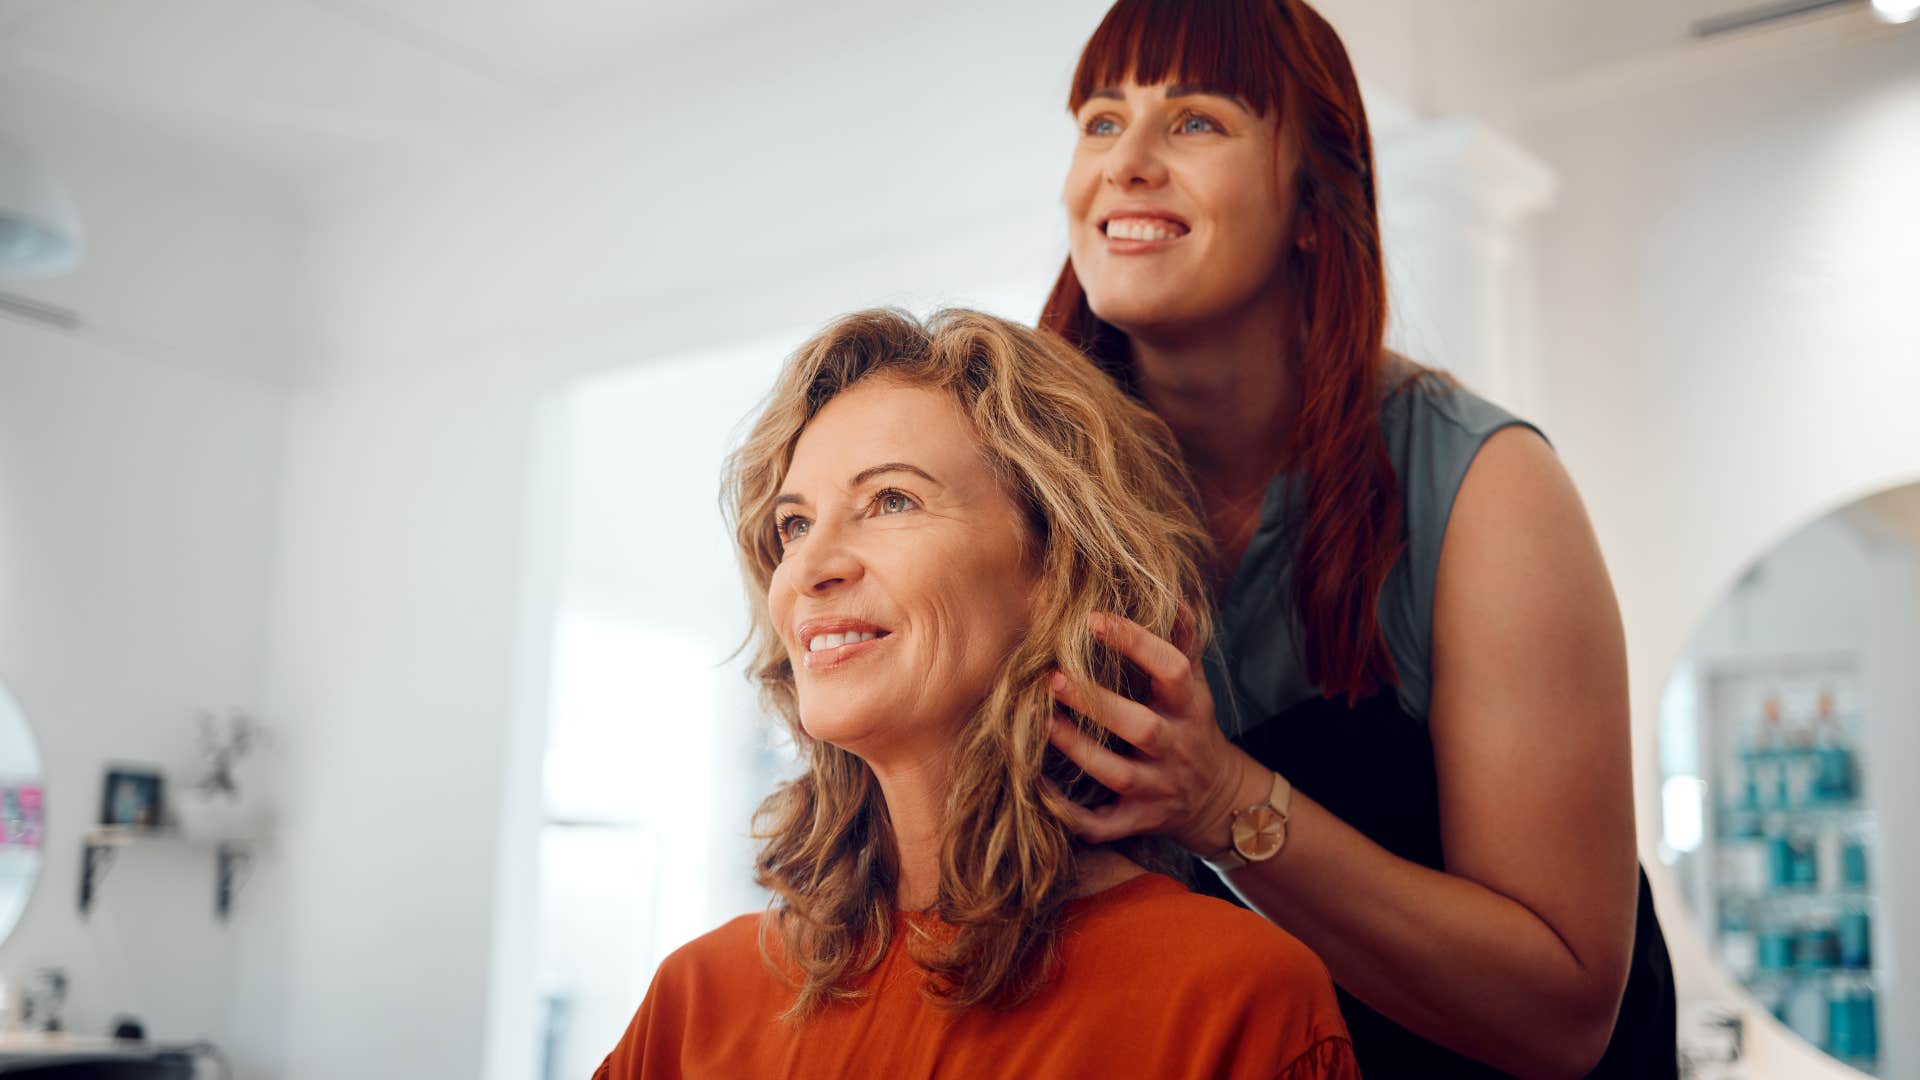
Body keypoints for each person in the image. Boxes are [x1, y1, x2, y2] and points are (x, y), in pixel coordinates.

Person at [1035, 1, 1677, 1076]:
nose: (1128, 163)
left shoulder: (1487, 489)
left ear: (1312, 205)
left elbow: (1564, 1012)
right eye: (1101, 122)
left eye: (1195, 122)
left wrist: (1221, 799)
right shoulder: (1031, 493)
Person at [593, 309, 1360, 1079]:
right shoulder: (693, 1003)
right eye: (794, 525)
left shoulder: (1238, 1002)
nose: (809, 568)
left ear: (1057, 570)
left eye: (891, 500)